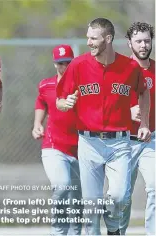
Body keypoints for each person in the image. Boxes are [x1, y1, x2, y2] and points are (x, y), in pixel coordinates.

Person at [56, 18, 151, 235]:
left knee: (119, 196)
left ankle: (114, 225)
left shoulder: (130, 67)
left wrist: (144, 122)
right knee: (91, 206)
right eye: (87, 37)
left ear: (107, 39)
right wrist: (65, 103)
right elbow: (60, 99)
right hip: (88, 143)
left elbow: (143, 92)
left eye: (93, 38)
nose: (88, 42)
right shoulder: (78, 65)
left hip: (119, 143)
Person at [32, 44, 82, 235]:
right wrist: (37, 123)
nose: (64, 67)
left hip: (80, 149)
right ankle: (59, 232)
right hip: (54, 146)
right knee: (61, 186)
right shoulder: (46, 85)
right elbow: (40, 102)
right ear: (54, 64)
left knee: (78, 197)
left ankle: (76, 232)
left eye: (68, 63)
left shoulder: (82, 87)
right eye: (60, 63)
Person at [120, 22, 155, 235]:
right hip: (123, 142)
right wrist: (127, 112)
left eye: (147, 41)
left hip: (152, 140)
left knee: (154, 187)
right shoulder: (120, 70)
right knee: (121, 196)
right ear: (129, 43)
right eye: (139, 41)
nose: (143, 45)